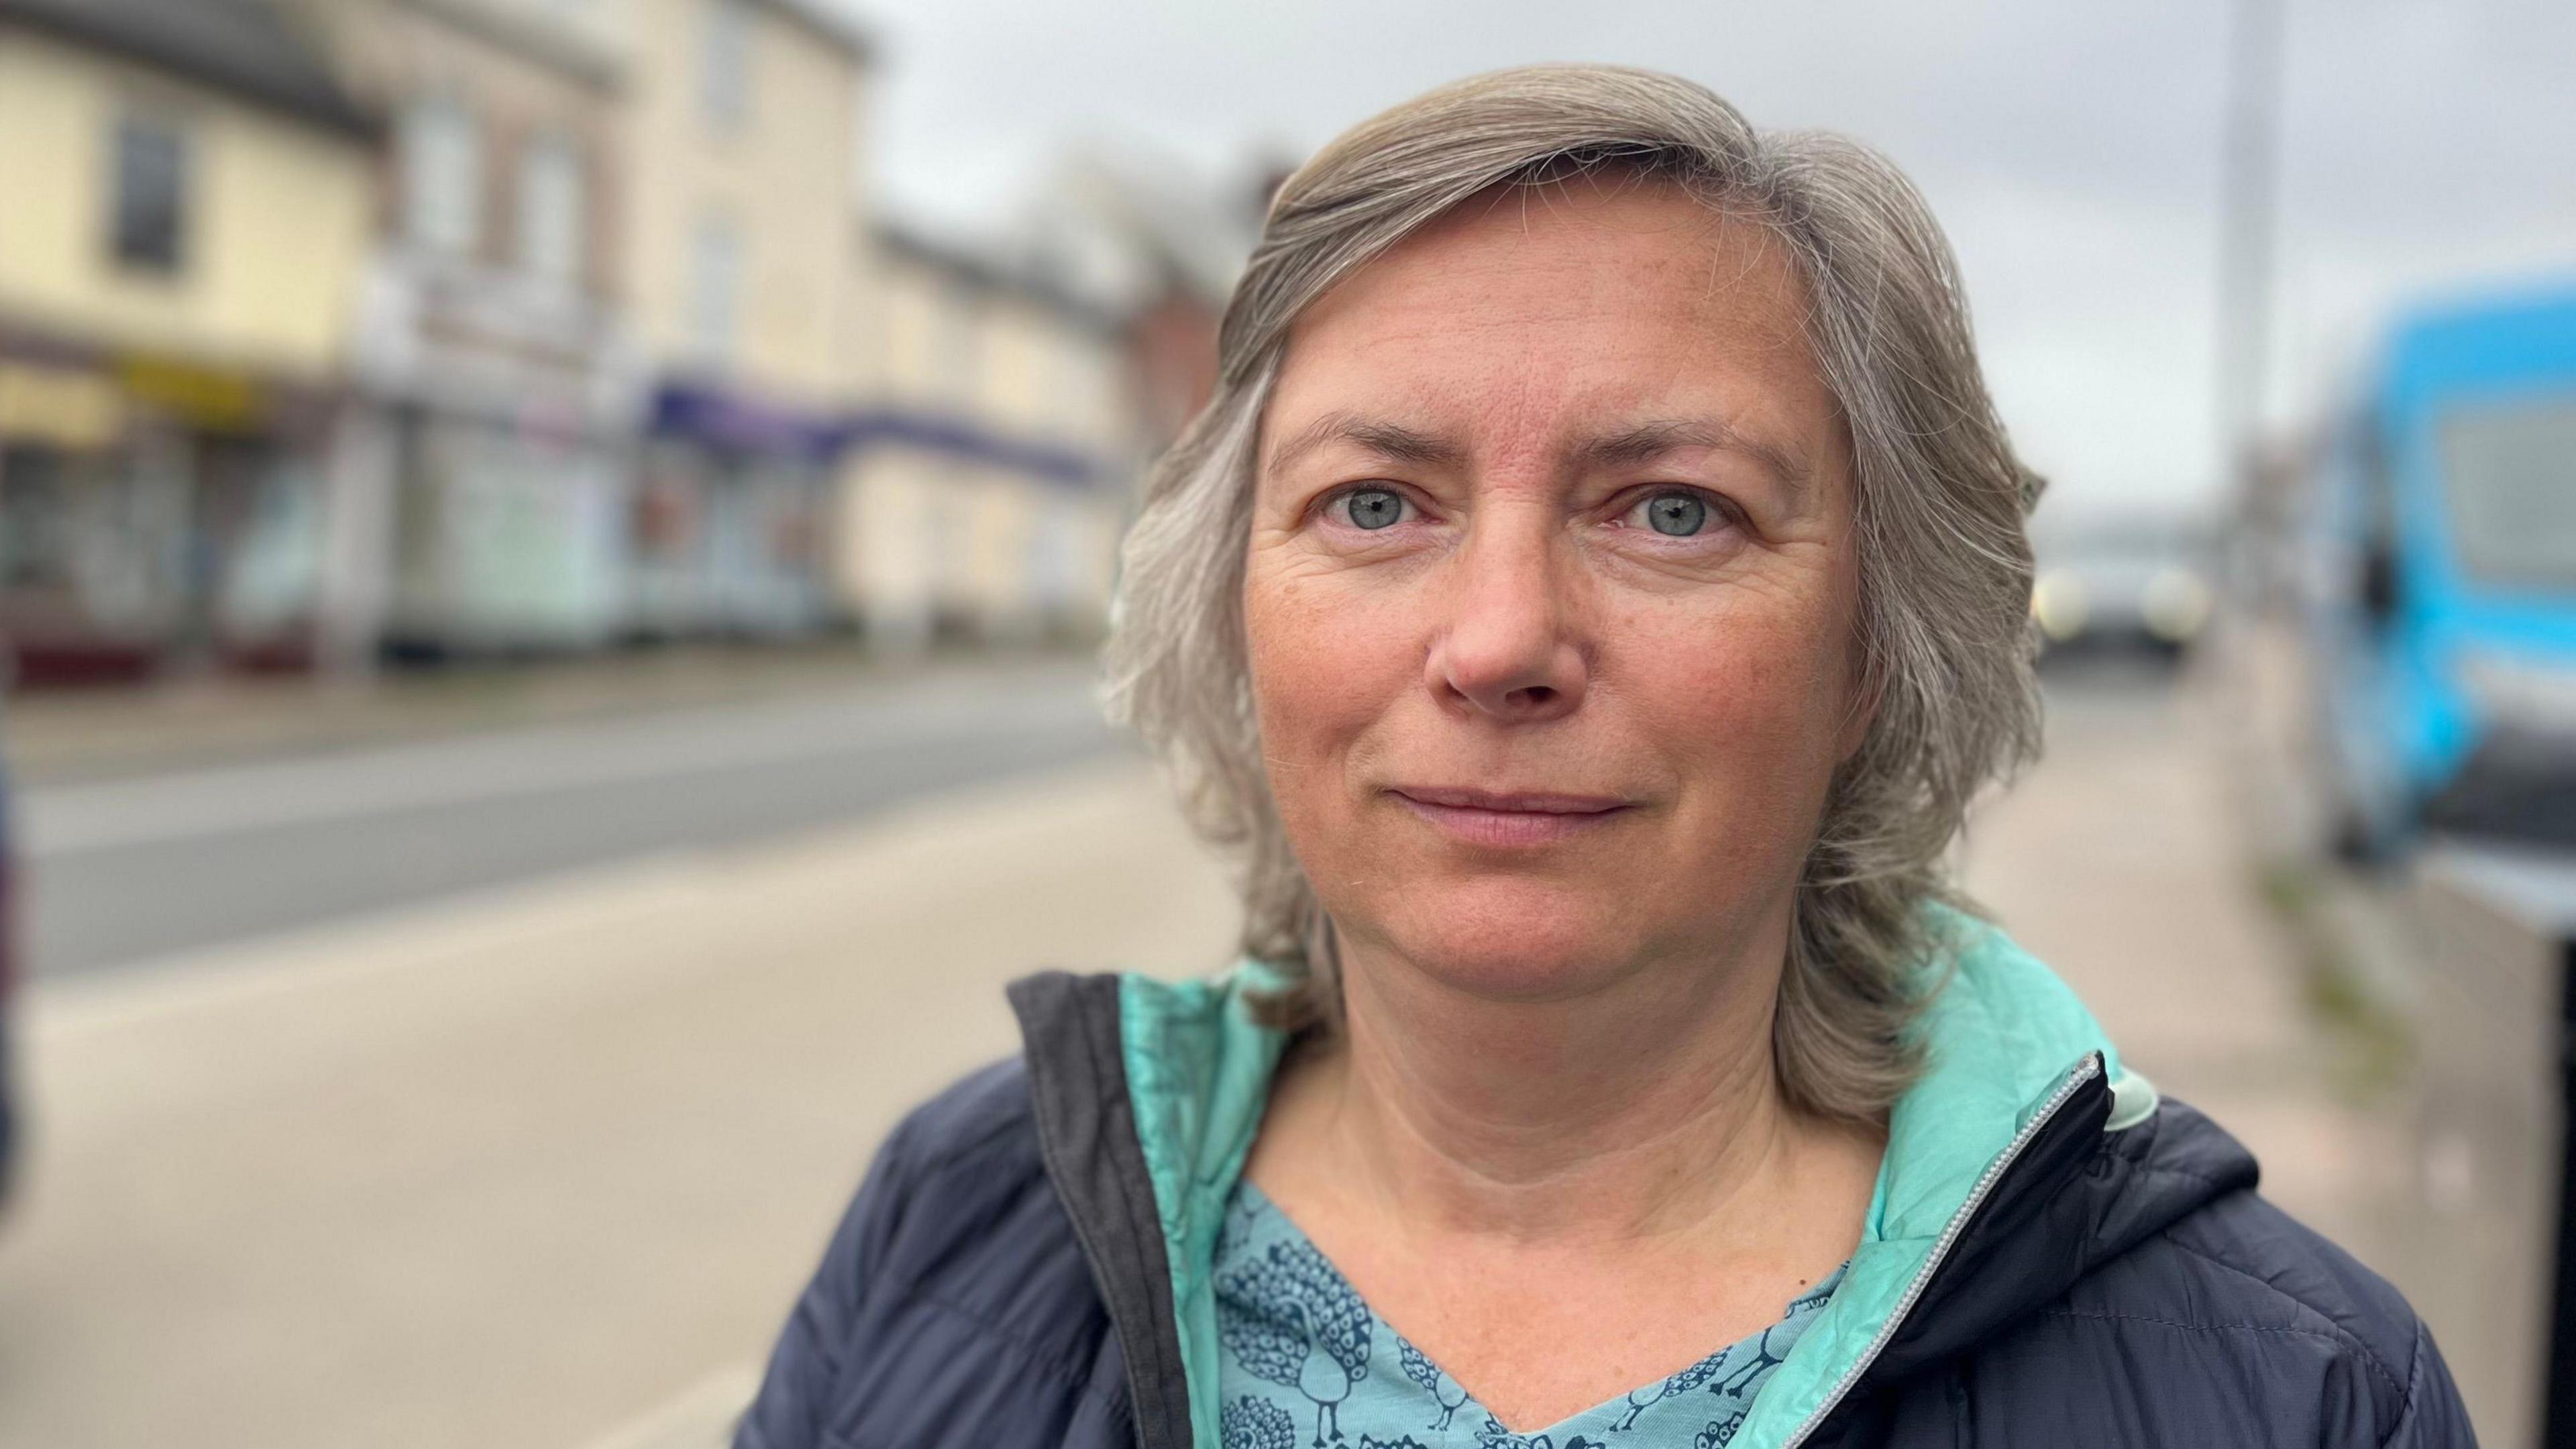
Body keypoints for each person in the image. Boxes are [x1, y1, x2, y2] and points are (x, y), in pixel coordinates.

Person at [736, 64, 2471, 1449]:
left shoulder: (2291, 1388)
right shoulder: (961, 1217)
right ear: (1232, 615)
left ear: (1875, 652)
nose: (1498, 642)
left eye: (1672, 511)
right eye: (1374, 503)